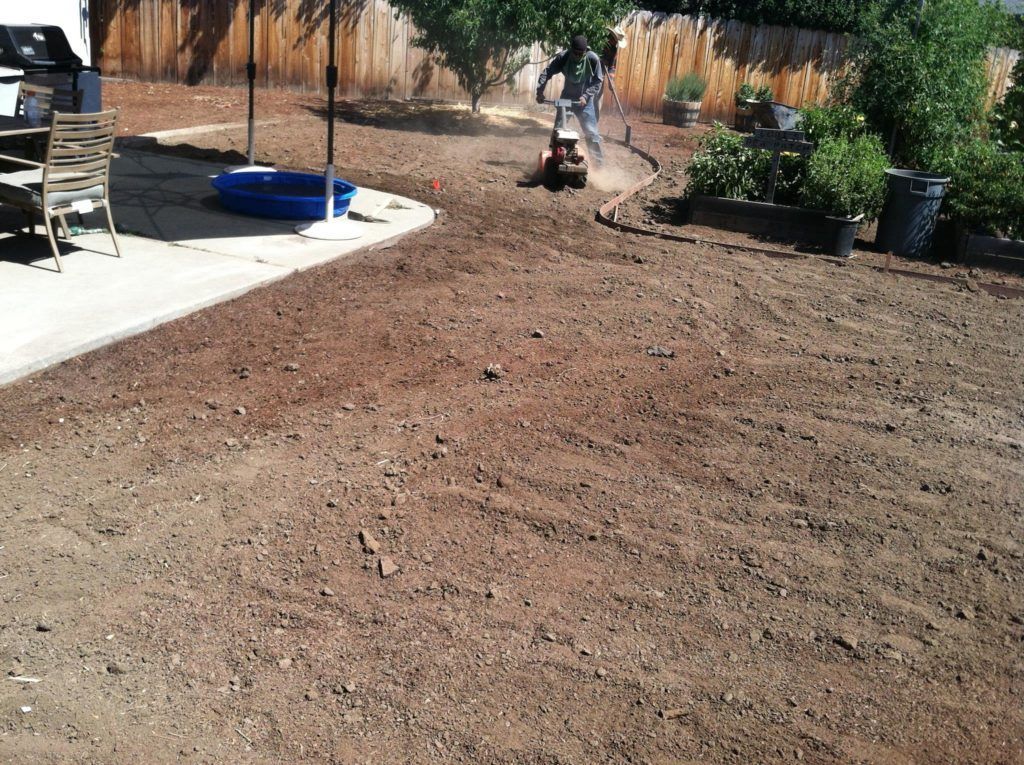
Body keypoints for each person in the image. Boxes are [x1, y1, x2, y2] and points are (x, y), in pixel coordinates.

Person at [536, 35, 604, 167]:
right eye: (575, 53)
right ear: (571, 49)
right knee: (558, 131)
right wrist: (540, 92)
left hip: (585, 101)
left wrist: (586, 95)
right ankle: (554, 161)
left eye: (581, 53)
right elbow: (547, 72)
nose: (578, 56)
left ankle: (599, 166)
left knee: (592, 133)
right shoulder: (564, 57)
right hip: (566, 98)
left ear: (585, 51)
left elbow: (598, 80)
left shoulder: (592, 59)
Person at [596, 25, 627, 124]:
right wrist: (601, 60)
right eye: (615, 40)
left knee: (597, 100)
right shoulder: (599, 41)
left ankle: (593, 124)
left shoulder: (614, 49)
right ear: (611, 37)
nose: (615, 43)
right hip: (590, 74)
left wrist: (611, 80)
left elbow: (612, 66)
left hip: (601, 76)